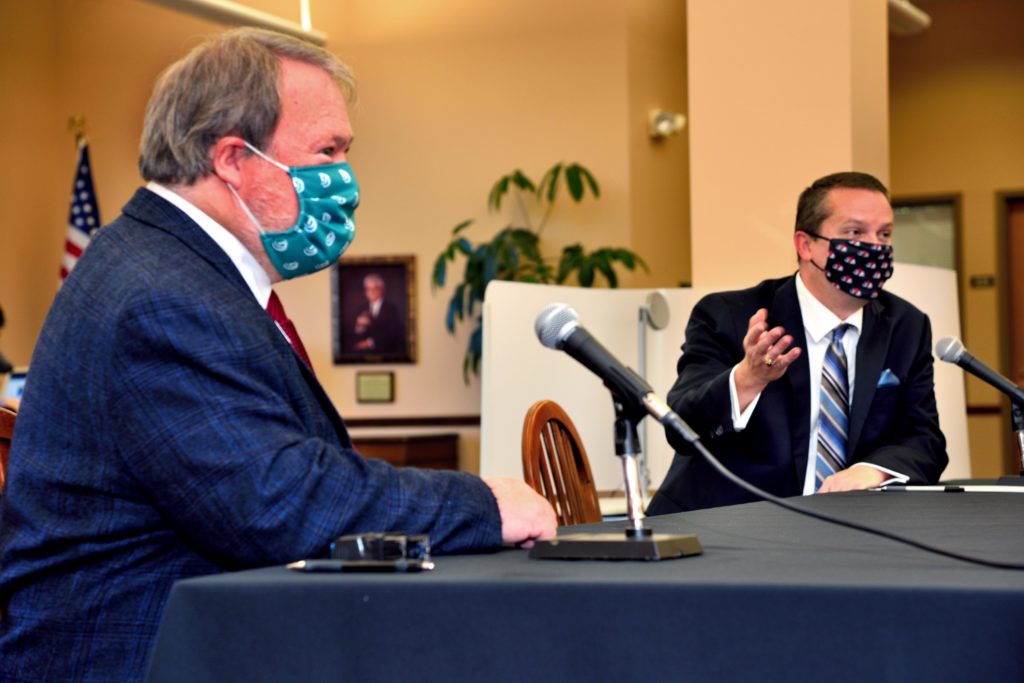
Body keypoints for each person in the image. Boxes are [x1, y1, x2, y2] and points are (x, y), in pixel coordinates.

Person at [0, 28, 555, 682]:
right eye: (328, 151)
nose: (345, 181)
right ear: (233, 158)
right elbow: (279, 501)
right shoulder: (157, 295)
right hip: (133, 658)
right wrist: (483, 504)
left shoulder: (179, 270)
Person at [648, 171, 947, 514]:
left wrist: (874, 470)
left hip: (847, 531)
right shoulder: (729, 315)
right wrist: (748, 378)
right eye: (855, 232)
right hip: (728, 526)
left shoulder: (906, 326)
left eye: (884, 235)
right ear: (805, 245)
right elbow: (682, 425)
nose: (874, 248)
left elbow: (924, 438)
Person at [350, 272, 404, 353]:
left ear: (381, 289)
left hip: (386, 352)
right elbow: (354, 334)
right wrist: (359, 326)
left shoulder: (391, 308)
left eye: (374, 288)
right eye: (368, 289)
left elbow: (393, 334)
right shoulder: (361, 308)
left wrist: (369, 343)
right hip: (364, 355)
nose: (370, 292)